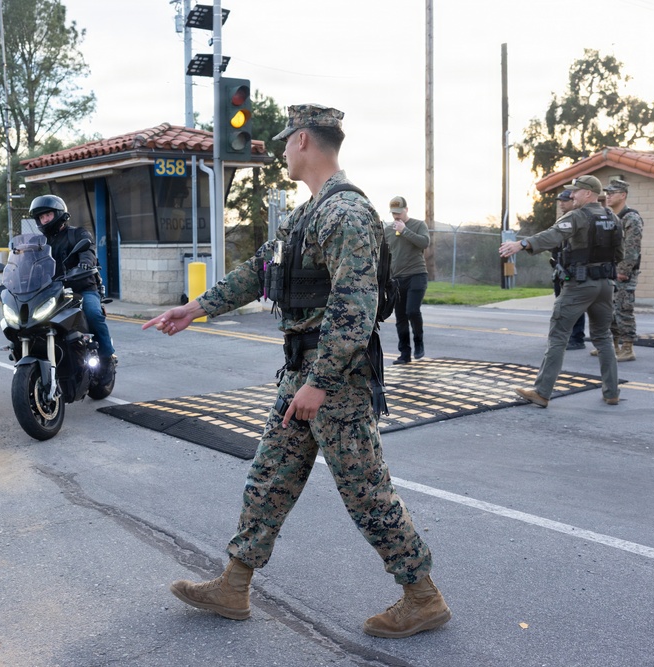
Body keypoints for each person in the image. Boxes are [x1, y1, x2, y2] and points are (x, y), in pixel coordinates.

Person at [143, 104, 450, 639]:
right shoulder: (311, 213)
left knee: (366, 491)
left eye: (286, 141)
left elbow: (353, 310)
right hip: (302, 374)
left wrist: (319, 383)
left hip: (335, 382)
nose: (282, 150)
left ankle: (422, 597)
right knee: (269, 478)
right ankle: (233, 586)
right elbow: (258, 270)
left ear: (304, 140)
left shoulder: (345, 214)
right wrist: (194, 308)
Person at [499, 175, 621, 407]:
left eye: (575, 191)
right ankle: (611, 392)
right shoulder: (613, 218)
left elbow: (552, 235)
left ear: (587, 193)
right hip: (606, 285)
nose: (571, 195)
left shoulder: (577, 216)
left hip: (580, 285)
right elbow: (619, 255)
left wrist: (522, 244)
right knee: (603, 337)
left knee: (558, 337)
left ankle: (542, 392)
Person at [28, 195, 117, 383]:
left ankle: (107, 357)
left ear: (59, 214)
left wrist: (85, 264)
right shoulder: (39, 243)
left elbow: (88, 252)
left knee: (93, 313)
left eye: (48, 215)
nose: (44, 220)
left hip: (81, 288)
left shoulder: (79, 234)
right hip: (51, 292)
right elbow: (29, 262)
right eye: (41, 217)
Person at [601, 178, 643, 362]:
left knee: (624, 309)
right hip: (609, 271)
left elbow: (632, 248)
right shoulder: (611, 217)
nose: (607, 196)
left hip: (623, 273)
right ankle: (614, 346)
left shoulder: (631, 218)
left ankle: (627, 348)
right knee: (609, 310)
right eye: (607, 193)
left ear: (623, 195)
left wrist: (623, 270)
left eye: (612, 193)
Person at [385, 196, 430, 363]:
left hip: (417, 274)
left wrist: (405, 230)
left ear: (406, 210)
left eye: (399, 212)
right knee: (401, 317)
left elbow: (424, 243)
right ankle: (404, 354)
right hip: (397, 278)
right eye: (393, 213)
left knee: (412, 310)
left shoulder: (418, 225)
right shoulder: (388, 230)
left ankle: (419, 343)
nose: (396, 216)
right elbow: (385, 255)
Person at [550, 190, 586, 350]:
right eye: (560, 200)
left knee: (575, 306)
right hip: (560, 269)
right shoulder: (561, 221)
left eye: (565, 200)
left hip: (574, 270)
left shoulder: (579, 220)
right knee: (561, 305)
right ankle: (565, 337)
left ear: (573, 201)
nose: (561, 203)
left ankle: (577, 338)